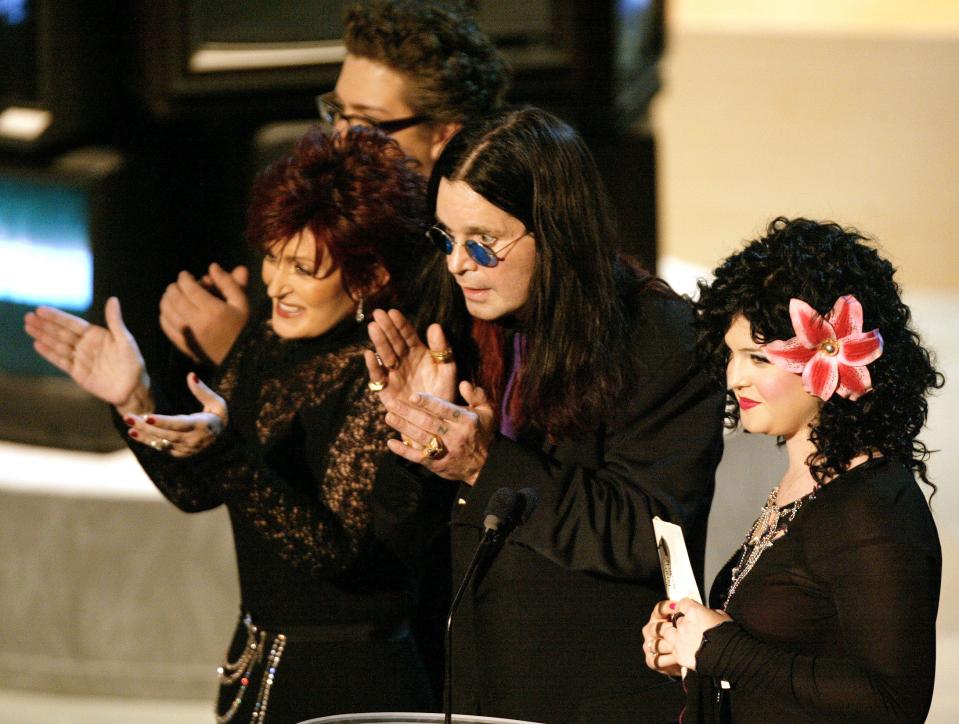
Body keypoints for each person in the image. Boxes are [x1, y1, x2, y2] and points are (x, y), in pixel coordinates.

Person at [24, 127, 441, 723]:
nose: (276, 284)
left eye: (303, 268)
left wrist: (225, 454)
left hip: (351, 685)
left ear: (371, 276)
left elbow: (332, 550)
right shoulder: (267, 342)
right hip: (257, 665)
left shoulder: (385, 371)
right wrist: (135, 399)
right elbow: (197, 492)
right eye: (273, 257)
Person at [364, 106, 725, 724]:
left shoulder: (658, 335)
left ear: (556, 228)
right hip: (477, 691)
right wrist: (414, 430)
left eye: (483, 241)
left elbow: (649, 535)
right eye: (447, 238)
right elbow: (396, 542)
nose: (458, 263)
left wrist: (486, 463)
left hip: (600, 696)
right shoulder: (459, 324)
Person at [642, 217, 943, 723]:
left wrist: (719, 648)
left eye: (758, 357)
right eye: (731, 355)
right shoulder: (804, 485)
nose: (734, 377)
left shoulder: (871, 507)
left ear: (832, 358)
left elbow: (895, 704)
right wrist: (688, 649)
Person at [160, 0, 510, 368]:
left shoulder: (464, 267)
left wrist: (238, 353)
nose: (339, 138)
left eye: (364, 122)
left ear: (444, 137)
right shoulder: (340, 220)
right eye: (337, 112)